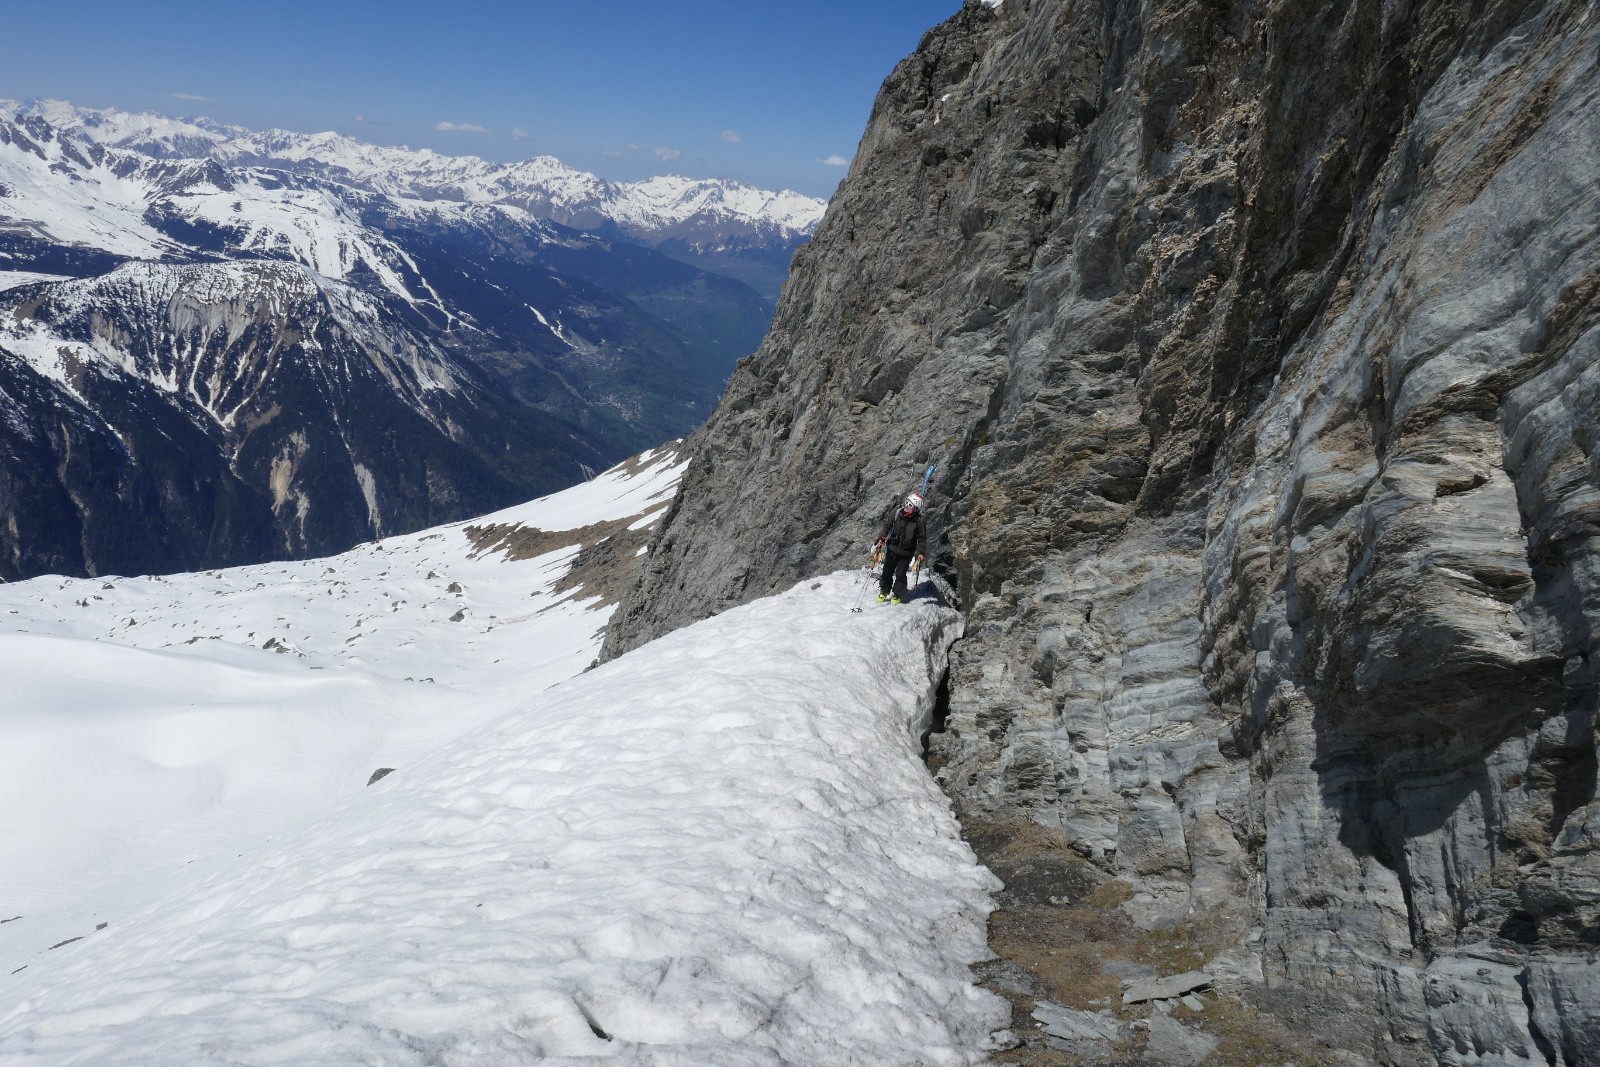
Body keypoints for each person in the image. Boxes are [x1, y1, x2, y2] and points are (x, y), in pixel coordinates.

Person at [875, 492, 926, 604]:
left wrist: (921, 552)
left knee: (900, 574)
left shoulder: (919, 521)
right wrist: (882, 537)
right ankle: (884, 590)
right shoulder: (897, 513)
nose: (906, 506)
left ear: (916, 508)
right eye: (906, 502)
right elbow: (887, 526)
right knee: (887, 571)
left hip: (906, 552)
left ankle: (898, 594)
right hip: (892, 548)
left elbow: (922, 538)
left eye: (910, 505)